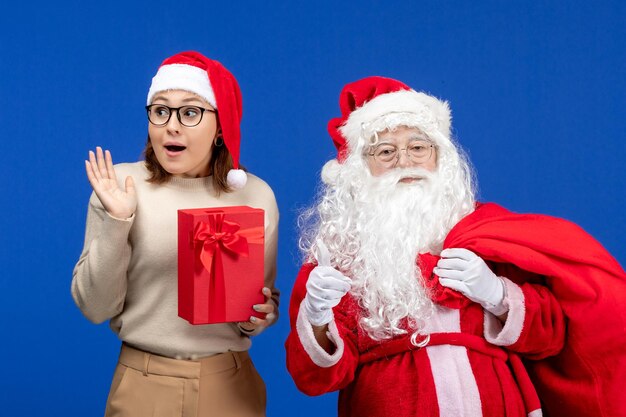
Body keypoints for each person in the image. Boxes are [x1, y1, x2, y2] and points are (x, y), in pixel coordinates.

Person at [285, 76, 626, 417]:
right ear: (361, 168)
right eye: (386, 151)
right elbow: (316, 380)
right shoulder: (340, 254)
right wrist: (317, 317)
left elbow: (549, 338)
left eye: (418, 147)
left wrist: (497, 294)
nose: (405, 161)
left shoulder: (486, 232)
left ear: (440, 157)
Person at [72, 51, 279, 417]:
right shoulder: (119, 185)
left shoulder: (255, 195)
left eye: (190, 112)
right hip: (144, 383)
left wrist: (259, 314)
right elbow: (95, 307)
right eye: (160, 110)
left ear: (220, 127)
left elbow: (252, 311)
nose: (172, 126)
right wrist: (118, 221)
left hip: (229, 384)